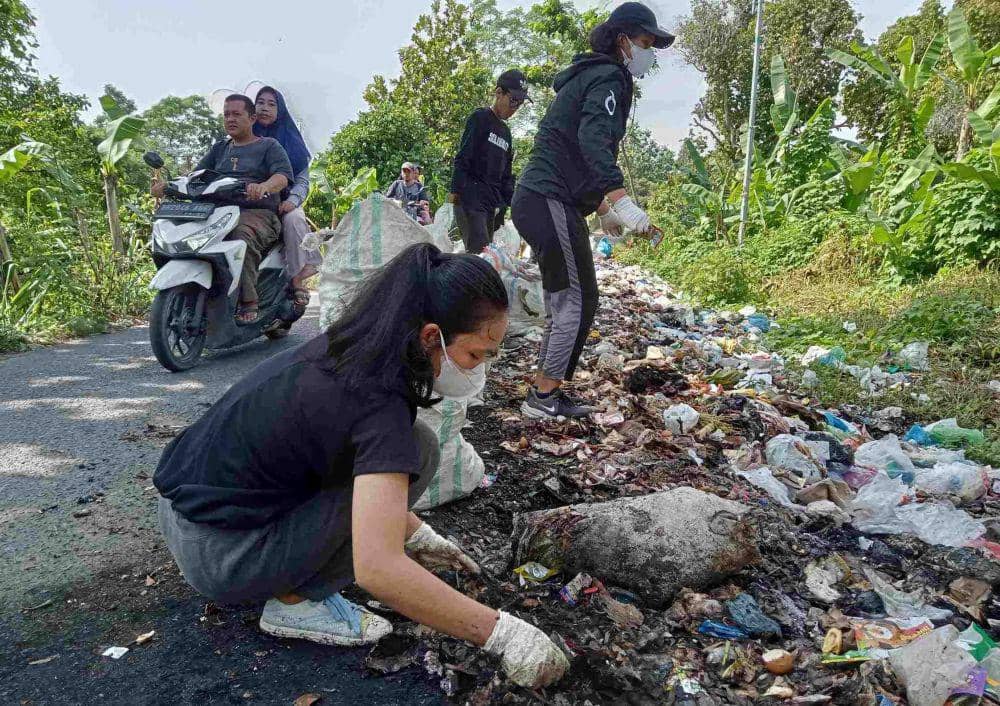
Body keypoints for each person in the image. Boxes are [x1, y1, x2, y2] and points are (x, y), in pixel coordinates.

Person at [153, 243, 568, 689]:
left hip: (185, 516)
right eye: (475, 355)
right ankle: (295, 601)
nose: (478, 369)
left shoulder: (347, 350)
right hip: (221, 556)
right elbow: (378, 570)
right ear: (432, 337)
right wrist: (502, 635)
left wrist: (417, 534)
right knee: (417, 453)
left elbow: (332, 457)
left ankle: (290, 573)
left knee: (416, 444)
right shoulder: (378, 405)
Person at [512, 2, 673, 419]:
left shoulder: (587, 76)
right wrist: (622, 200)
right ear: (622, 40)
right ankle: (544, 397)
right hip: (549, 200)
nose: (649, 51)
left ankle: (544, 389)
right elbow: (593, 140)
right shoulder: (607, 76)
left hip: (545, 200)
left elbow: (574, 154)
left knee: (568, 299)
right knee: (578, 301)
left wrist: (602, 208)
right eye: (645, 42)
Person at [152, 94, 293, 324]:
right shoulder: (220, 149)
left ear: (252, 118)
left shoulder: (268, 146)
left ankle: (249, 301)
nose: (230, 119)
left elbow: (283, 176)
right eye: (227, 114)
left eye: (237, 114)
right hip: (215, 211)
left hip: (256, 213)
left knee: (241, 238)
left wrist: (264, 186)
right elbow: (195, 177)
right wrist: (167, 186)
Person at [253, 86, 322, 316]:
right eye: (260, 102)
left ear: (280, 110)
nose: (264, 108)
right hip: (248, 202)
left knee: (294, 220)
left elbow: (302, 180)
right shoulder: (243, 136)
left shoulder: (290, 141)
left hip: (282, 203)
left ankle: (296, 279)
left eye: (271, 104)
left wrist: (293, 200)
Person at [450, 70, 528, 254]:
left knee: (487, 255)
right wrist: (454, 194)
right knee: (481, 254)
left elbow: (506, 175)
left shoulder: (506, 133)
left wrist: (508, 205)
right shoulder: (480, 119)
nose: (515, 107)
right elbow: (463, 157)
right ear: (499, 92)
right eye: (513, 100)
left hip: (491, 204)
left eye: (521, 103)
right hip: (471, 200)